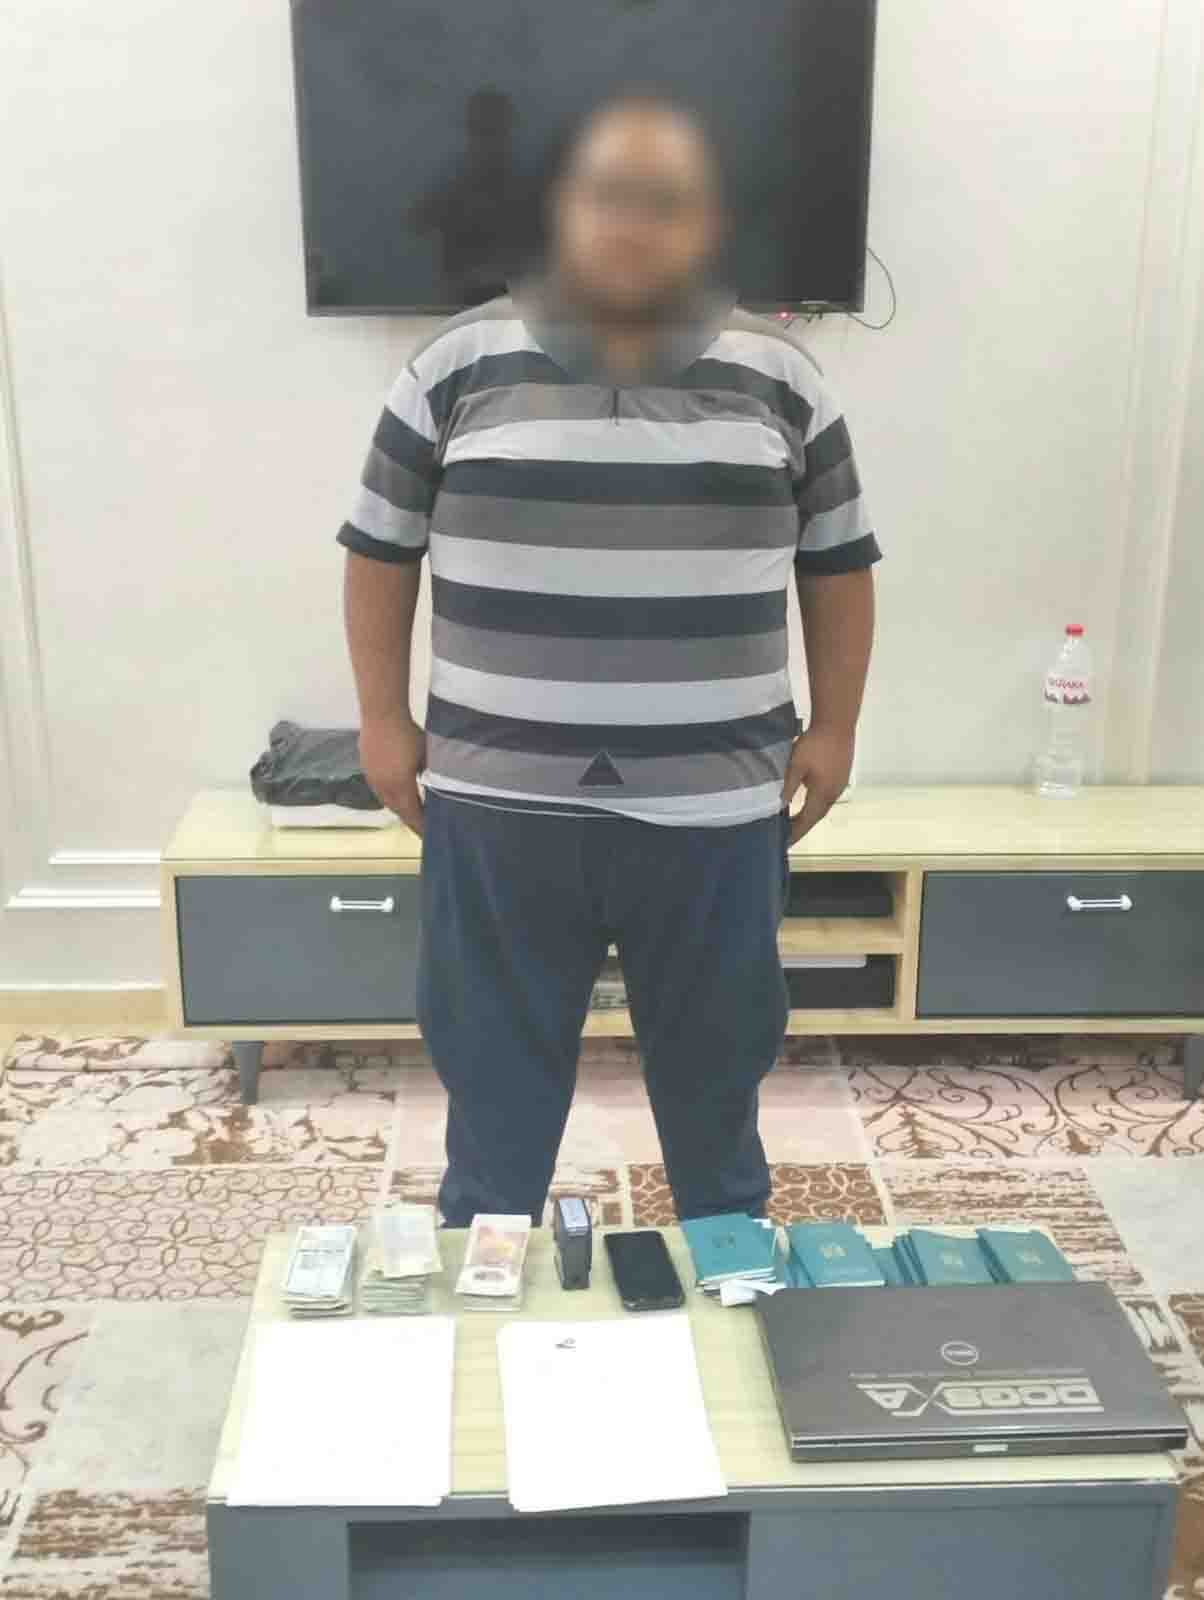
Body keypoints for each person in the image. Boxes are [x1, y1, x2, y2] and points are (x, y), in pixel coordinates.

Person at [340, 92, 879, 1226]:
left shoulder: (782, 378)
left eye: (664, 201)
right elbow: (380, 551)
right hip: (499, 805)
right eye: (607, 195)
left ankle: (728, 1273)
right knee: (493, 1083)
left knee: (717, 1075)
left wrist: (835, 728)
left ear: (706, 221)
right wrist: (381, 723)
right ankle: (486, 1276)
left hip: (715, 807)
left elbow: (836, 567)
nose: (632, 223)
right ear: (561, 209)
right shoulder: (453, 365)